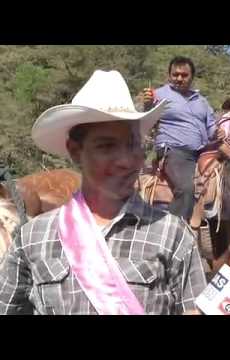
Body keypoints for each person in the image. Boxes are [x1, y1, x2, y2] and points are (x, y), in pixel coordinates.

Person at [0, 70, 207, 315]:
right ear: (75, 151)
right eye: (106, 146)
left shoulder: (172, 234)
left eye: (133, 144)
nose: (125, 160)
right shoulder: (34, 236)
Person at [143, 56, 223, 220]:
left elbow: (211, 129)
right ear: (169, 75)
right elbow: (146, 117)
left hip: (202, 152)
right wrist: (147, 104)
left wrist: (218, 133)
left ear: (192, 77)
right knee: (186, 188)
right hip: (174, 150)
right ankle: (174, 231)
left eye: (184, 75)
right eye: (175, 74)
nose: (179, 79)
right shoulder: (158, 95)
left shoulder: (201, 101)